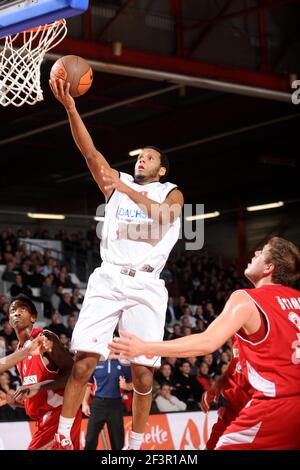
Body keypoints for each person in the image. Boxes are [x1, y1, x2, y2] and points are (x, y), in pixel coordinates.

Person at [49, 78, 184, 450]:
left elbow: (163, 218)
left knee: (142, 375)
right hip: (108, 279)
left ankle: (136, 443)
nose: (142, 158)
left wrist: (126, 189)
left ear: (161, 171)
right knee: (82, 365)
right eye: (140, 154)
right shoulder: (116, 182)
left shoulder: (169, 192)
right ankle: (63, 438)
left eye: (150, 158)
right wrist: (72, 109)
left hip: (145, 285)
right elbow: (90, 152)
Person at [109, 237, 300, 450]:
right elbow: (266, 356)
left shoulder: (247, 299)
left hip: (275, 406)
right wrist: (223, 381)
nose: (254, 254)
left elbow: (207, 342)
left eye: (261, 252)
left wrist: (144, 347)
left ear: (269, 267)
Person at [2, 294, 82, 450]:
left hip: (60, 415)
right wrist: (18, 402)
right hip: (45, 420)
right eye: (12, 311)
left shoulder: (44, 338)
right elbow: (39, 394)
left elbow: (74, 374)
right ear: (9, 320)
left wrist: (38, 387)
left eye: (22, 309)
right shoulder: (20, 352)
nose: (16, 313)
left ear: (33, 317)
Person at [200, 337, 254, 450]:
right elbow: (236, 362)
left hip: (254, 410)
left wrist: (155, 348)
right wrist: (218, 384)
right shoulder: (238, 333)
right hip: (232, 406)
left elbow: (208, 340)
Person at [82, 359, 132, 450]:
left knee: (118, 441)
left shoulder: (123, 364)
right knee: (90, 439)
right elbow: (88, 385)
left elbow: (134, 384)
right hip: (98, 404)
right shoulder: (95, 362)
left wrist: (126, 386)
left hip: (115, 404)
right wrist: (84, 403)